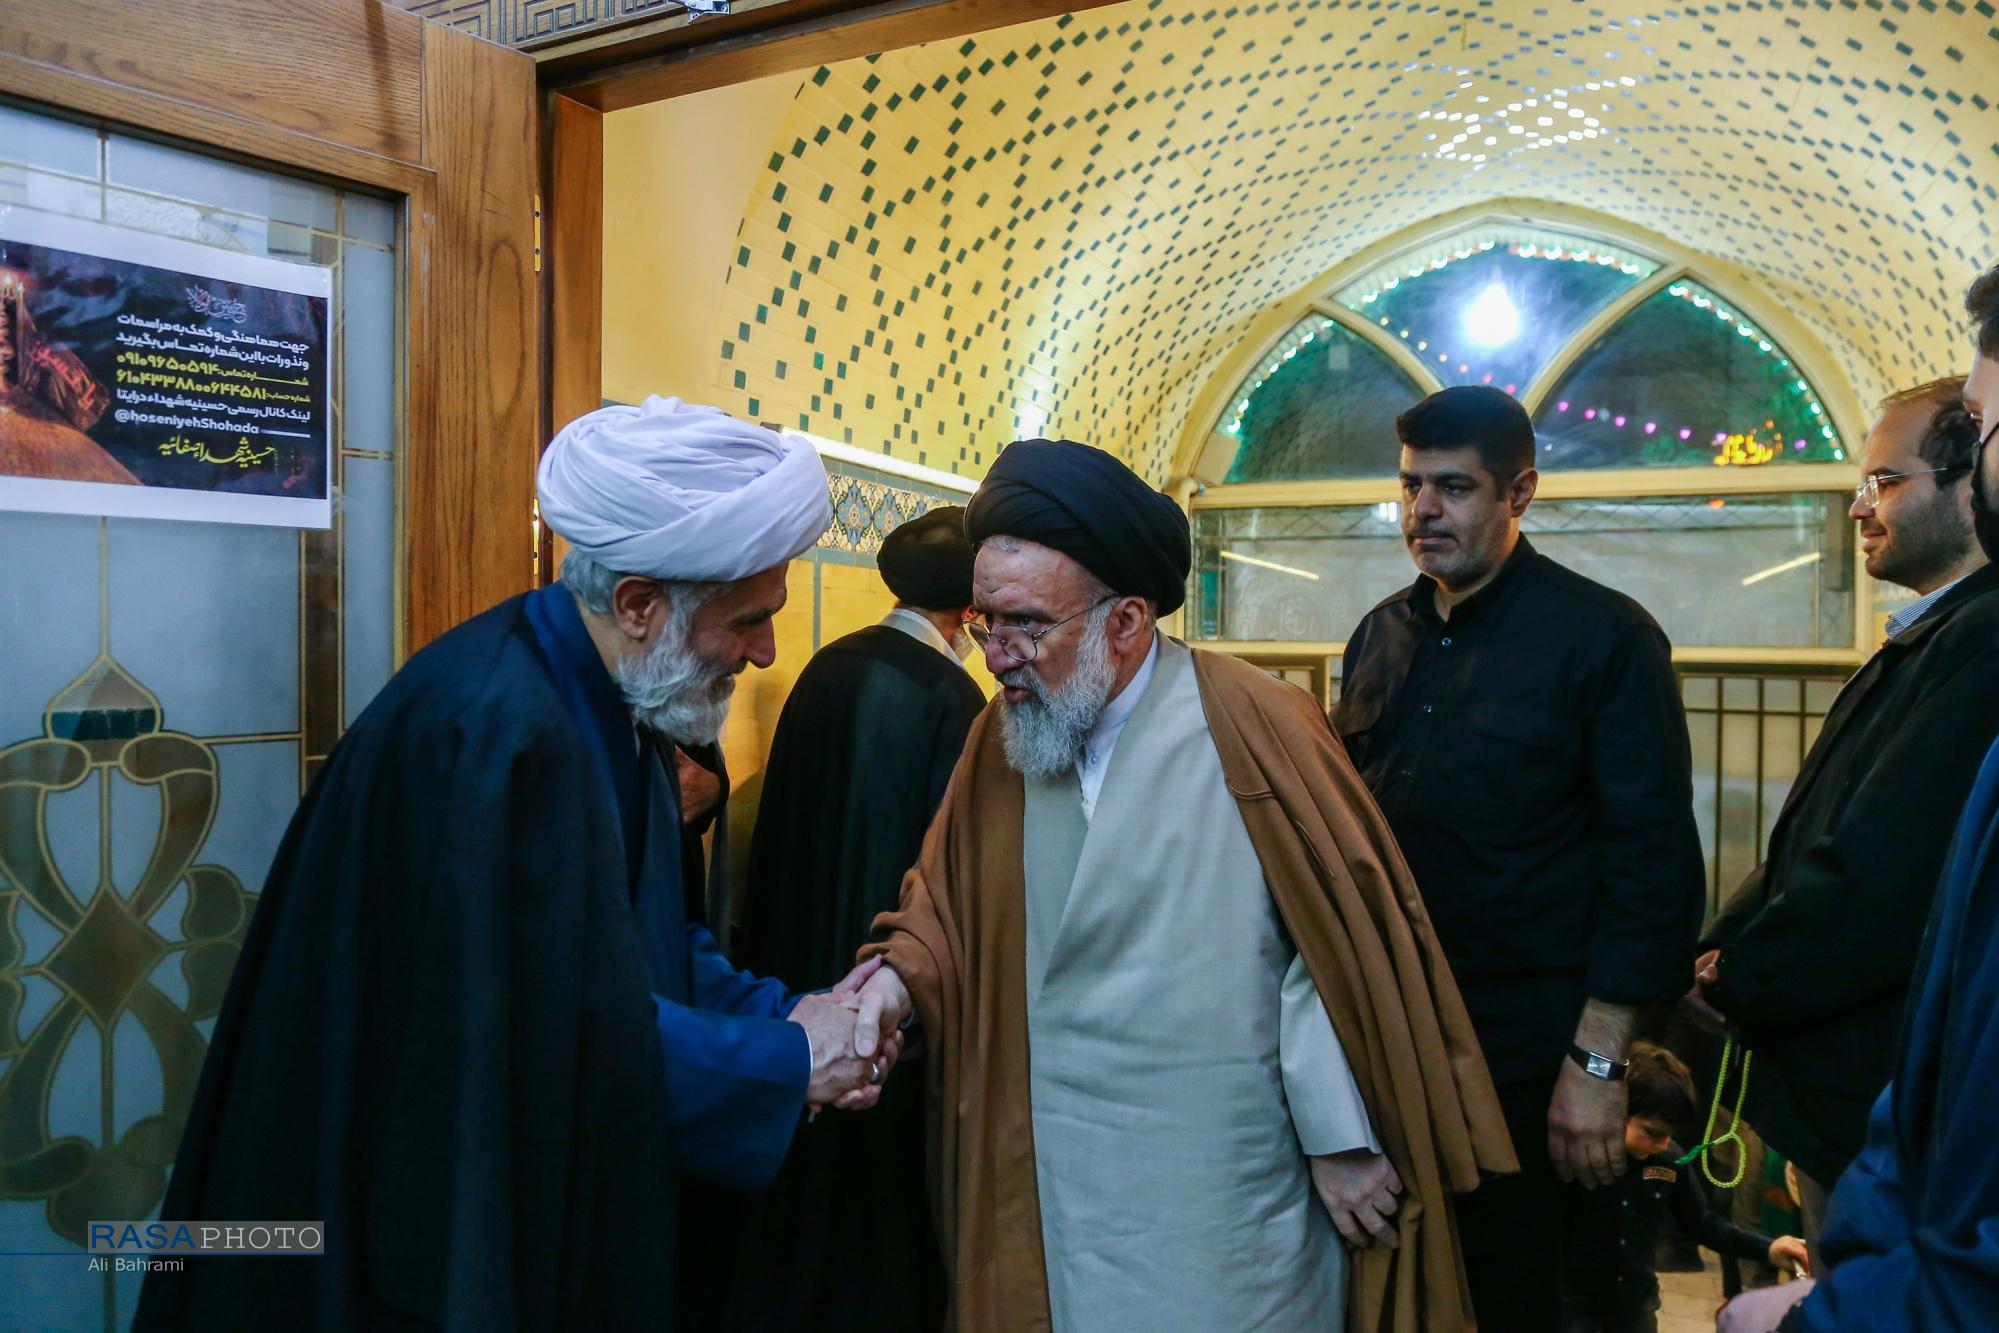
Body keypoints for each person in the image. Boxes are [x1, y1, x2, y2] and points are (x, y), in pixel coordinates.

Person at [135, 396, 897, 1331]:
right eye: (746, 620)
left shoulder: (620, 696)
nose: (766, 651)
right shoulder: (493, 731)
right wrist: (785, 1062)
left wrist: (789, 1014)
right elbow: (536, 1038)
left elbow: (642, 945)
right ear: (639, 604)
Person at [847, 438, 1515, 1332]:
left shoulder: (1255, 723)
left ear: (1126, 621)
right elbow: (945, 904)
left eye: (1026, 626)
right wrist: (891, 985)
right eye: (985, 623)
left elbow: (1328, 950)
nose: (997, 656)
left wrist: (1340, 1138)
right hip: (1050, 1170)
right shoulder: (997, 743)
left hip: (1222, 1175)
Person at [1334, 386, 1706, 1331]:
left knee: (1522, 1299)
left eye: (1453, 487)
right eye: (1410, 485)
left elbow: (1651, 864)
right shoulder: (1379, 634)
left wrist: (1596, 1064)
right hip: (1393, 1038)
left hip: (1530, 1057)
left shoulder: (1604, 637)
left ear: (1520, 492)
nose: (1423, 510)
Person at [1714, 260, 1999, 1333]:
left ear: (1964, 483)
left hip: (1878, 1100)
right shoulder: (1931, 634)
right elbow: (1818, 832)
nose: (1858, 504)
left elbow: (1878, 873)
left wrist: (1739, 976)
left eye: (1883, 479)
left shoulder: (1978, 642)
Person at [700, 505, 986, 1330]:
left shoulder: (826, 665)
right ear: (968, 610)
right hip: (880, 1006)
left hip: (790, 988)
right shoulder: (953, 697)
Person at [1562, 1044, 1808, 1333]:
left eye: (1669, 1136)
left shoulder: (1668, 1163)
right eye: (1653, 1133)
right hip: (1573, 1310)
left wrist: (1768, 1248)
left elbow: (1704, 1225)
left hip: (1635, 1311)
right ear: (1618, 1109)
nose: (1663, 1144)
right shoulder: (1577, 1156)